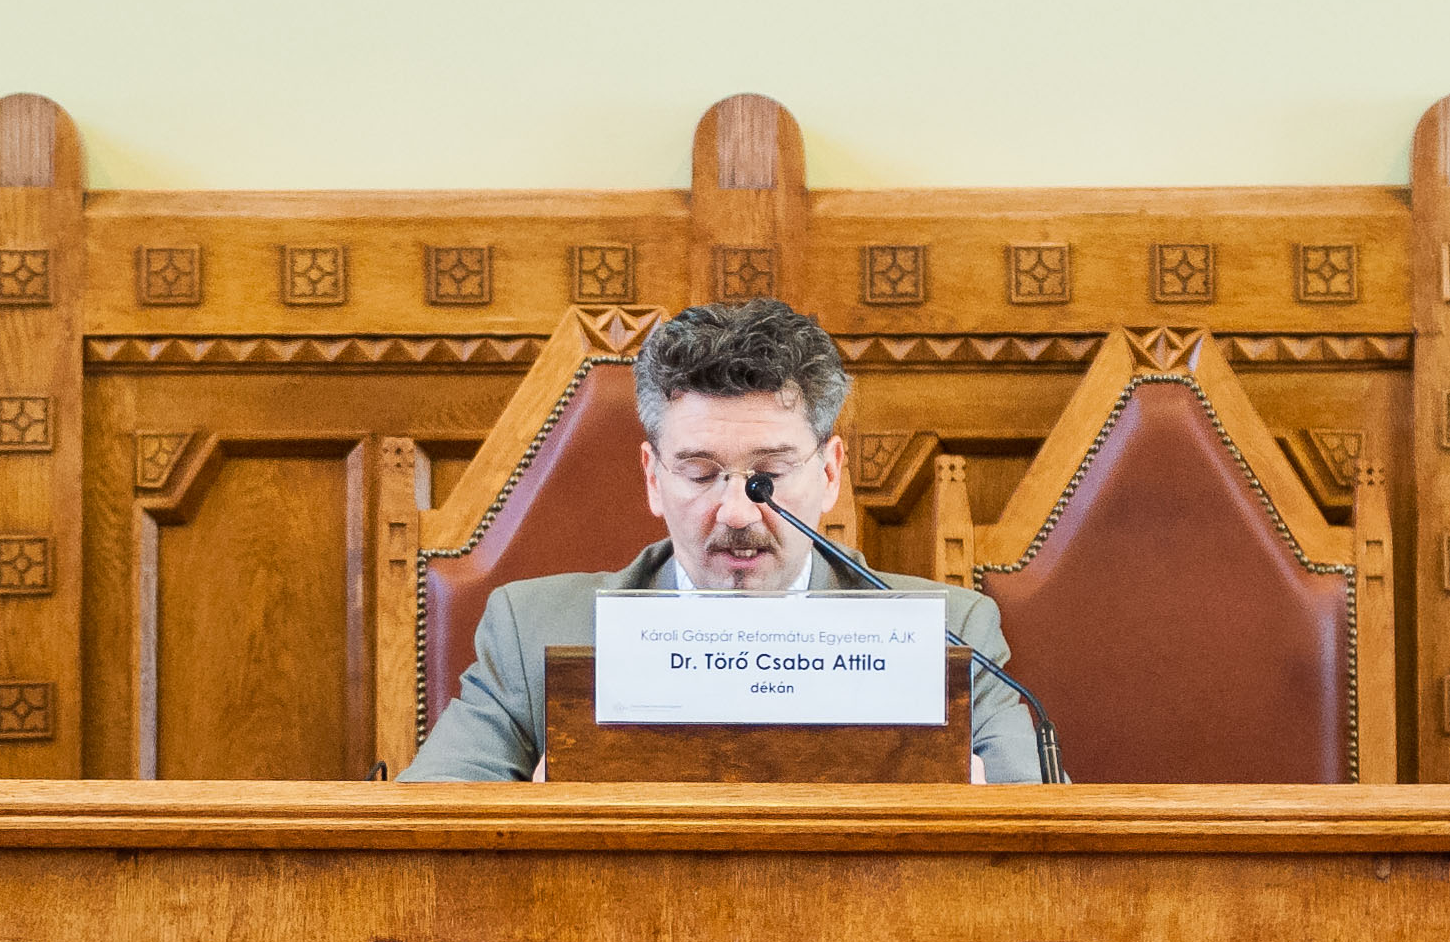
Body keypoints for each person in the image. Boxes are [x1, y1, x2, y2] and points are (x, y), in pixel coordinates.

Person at [397, 297, 1050, 783]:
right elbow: (428, 832)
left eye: (768, 476)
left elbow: (1049, 841)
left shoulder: (949, 636)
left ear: (829, 474)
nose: (736, 513)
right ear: (654, 478)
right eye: (700, 473)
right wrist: (533, 814)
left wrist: (981, 812)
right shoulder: (534, 632)